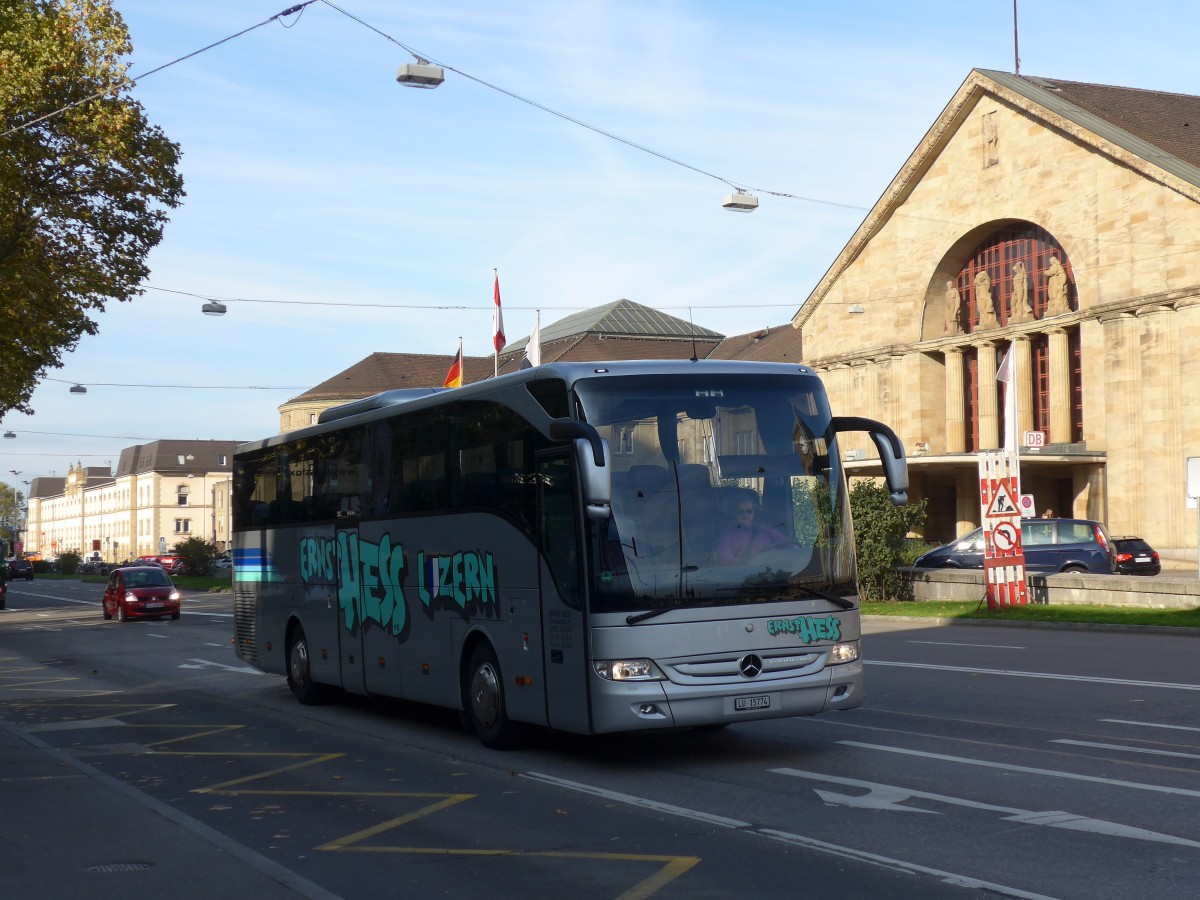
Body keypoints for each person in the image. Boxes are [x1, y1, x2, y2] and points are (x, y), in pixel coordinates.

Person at [715, 497, 792, 565]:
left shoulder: (765, 528)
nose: (745, 515)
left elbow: (785, 542)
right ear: (734, 513)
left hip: (769, 572)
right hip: (744, 575)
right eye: (740, 512)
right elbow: (725, 559)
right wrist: (747, 567)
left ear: (754, 512)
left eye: (749, 511)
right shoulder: (727, 533)